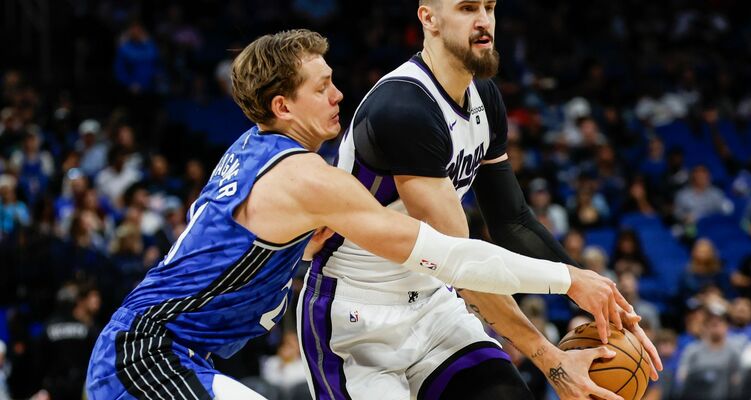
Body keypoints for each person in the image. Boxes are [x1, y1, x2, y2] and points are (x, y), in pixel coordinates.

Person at [85, 29, 627, 400]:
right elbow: (445, 255)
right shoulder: (307, 179)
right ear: (282, 106)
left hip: (167, 350)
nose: (338, 95)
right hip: (148, 356)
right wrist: (569, 278)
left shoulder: (256, 151)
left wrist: (296, 244)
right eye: (322, 87)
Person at [300, 1, 662, 399]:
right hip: (357, 315)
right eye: (467, 8)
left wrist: (602, 301)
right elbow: (458, 261)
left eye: (489, 7)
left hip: (434, 306)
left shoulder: (484, 96)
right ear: (429, 18)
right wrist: (550, 358)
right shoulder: (402, 108)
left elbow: (512, 221)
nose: (483, 21)